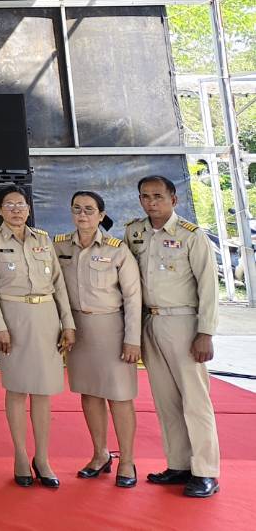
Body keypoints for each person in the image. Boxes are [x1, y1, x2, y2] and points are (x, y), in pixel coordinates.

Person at [125, 174, 221, 498]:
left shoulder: (191, 235)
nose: (151, 202)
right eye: (145, 196)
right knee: (166, 401)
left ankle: (206, 471)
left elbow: (208, 287)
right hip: (149, 322)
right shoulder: (134, 232)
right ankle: (179, 464)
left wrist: (205, 332)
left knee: (195, 400)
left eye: (158, 196)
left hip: (184, 323)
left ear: (173, 200)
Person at [0, 184, 75, 488]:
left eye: (20, 204)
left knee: (43, 391)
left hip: (46, 318)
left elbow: (59, 284)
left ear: (29, 208)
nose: (16, 210)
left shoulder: (43, 239)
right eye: (9, 205)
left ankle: (42, 458)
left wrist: (68, 323)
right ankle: (20, 456)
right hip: (13, 320)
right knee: (17, 389)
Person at [56, 191, 141, 489]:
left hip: (111, 328)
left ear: (101, 215)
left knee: (119, 396)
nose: (82, 215)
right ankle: (100, 454)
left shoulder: (117, 250)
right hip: (77, 329)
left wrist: (133, 339)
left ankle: (127, 460)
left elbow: (133, 297)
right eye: (77, 208)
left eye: (89, 210)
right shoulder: (59, 246)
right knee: (89, 393)